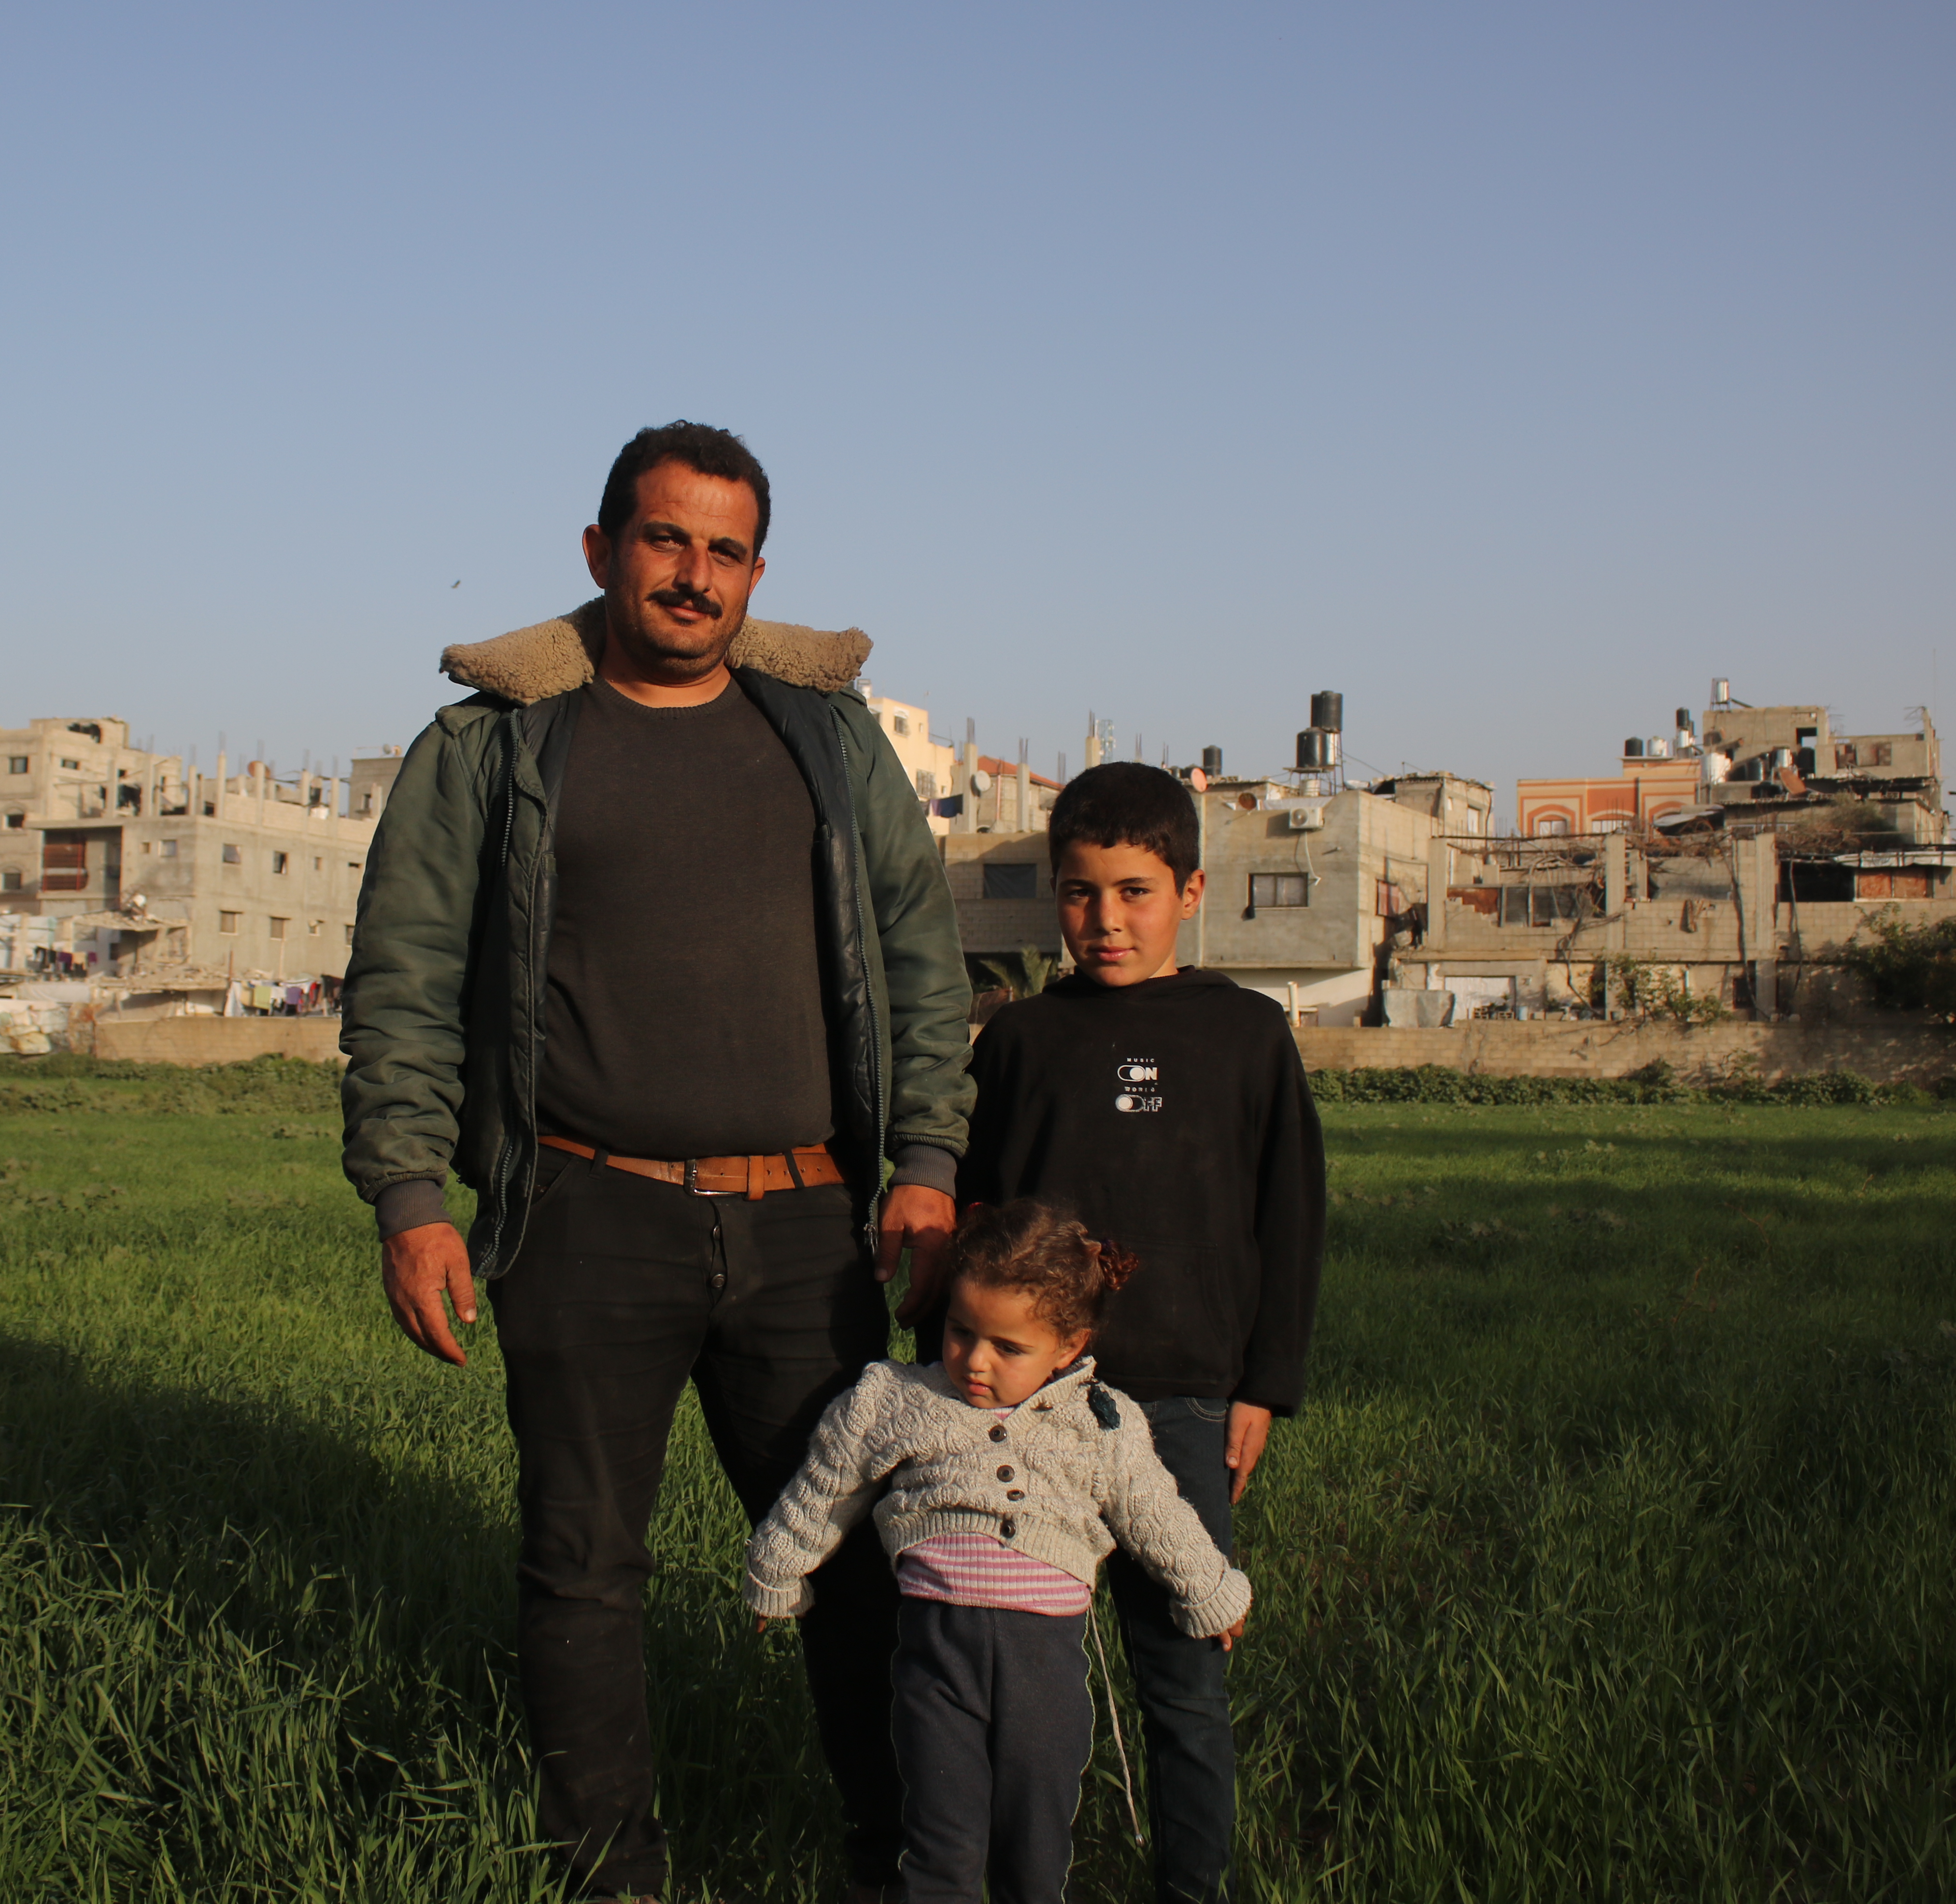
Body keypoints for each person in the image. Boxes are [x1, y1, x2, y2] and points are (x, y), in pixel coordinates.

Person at [339, 421, 975, 1902]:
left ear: (760, 569)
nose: (694, 577)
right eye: (665, 540)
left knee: (856, 1560)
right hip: (582, 1214)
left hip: (807, 1223)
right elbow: (407, 973)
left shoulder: (827, 738)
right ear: (601, 550)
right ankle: (611, 1876)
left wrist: (930, 1160)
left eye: (727, 549)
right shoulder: (492, 746)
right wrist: (412, 1198)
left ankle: (900, 1859)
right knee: (581, 1569)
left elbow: (919, 956)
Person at [928, 761, 1325, 1904]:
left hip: (1188, 1401)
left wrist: (1264, 1386)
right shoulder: (1018, 1042)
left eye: (1135, 891)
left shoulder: (1247, 1036)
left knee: (1182, 1672)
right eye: (1080, 892)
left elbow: (1290, 1218)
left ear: (1191, 889)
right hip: (1033, 1408)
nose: (1106, 920)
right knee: (1015, 1668)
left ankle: (1194, 1884)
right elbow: (975, 1215)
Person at [745, 1199, 1251, 1904]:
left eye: (1008, 1348)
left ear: (1069, 1347)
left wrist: (1208, 1589)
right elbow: (826, 1485)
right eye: (960, 1332)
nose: (975, 1362)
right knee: (939, 1839)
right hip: (936, 1663)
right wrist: (777, 1567)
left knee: (1035, 1843)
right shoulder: (898, 1400)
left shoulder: (1099, 1420)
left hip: (1044, 1672)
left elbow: (1154, 1512)